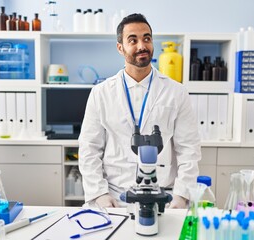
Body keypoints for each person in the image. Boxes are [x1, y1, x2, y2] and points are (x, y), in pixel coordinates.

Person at [78, 13, 201, 208]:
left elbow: (188, 150)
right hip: (115, 196)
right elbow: (89, 148)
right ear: (120, 48)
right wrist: (99, 194)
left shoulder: (177, 92)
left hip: (164, 197)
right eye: (132, 40)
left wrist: (182, 195)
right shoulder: (101, 93)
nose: (142, 46)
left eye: (147, 38)